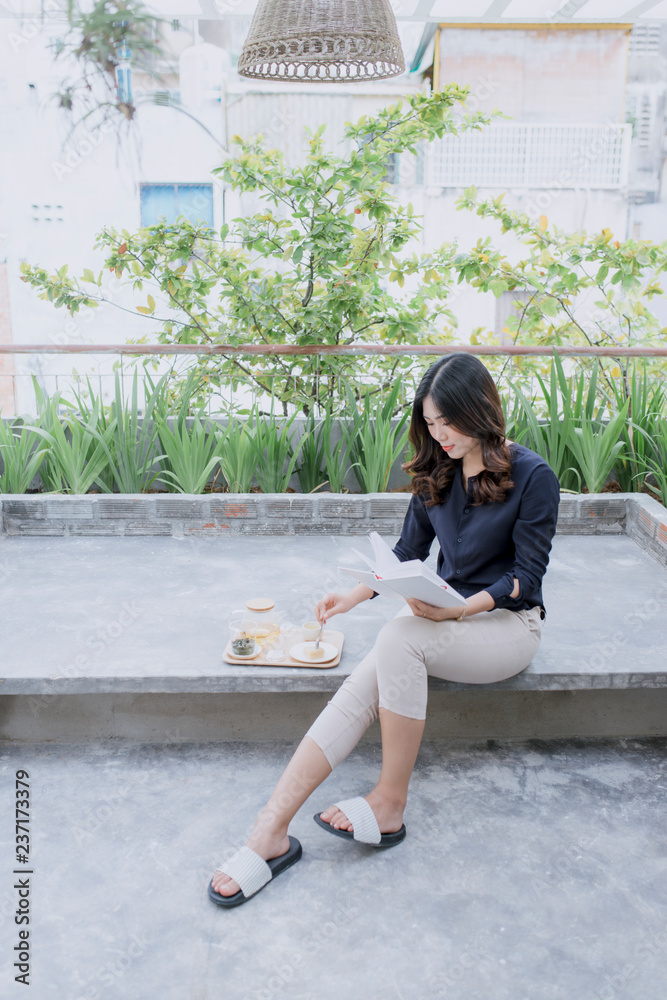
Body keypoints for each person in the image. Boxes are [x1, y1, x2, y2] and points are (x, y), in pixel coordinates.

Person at [208, 352, 561, 907]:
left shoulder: (533, 476)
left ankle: (389, 802)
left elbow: (526, 577)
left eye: (450, 422)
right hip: (440, 617)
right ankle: (269, 831)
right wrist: (353, 596)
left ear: (482, 410)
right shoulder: (439, 469)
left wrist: (457, 611)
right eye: (431, 423)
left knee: (399, 638)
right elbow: (407, 554)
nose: (440, 435)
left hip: (506, 626)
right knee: (360, 688)